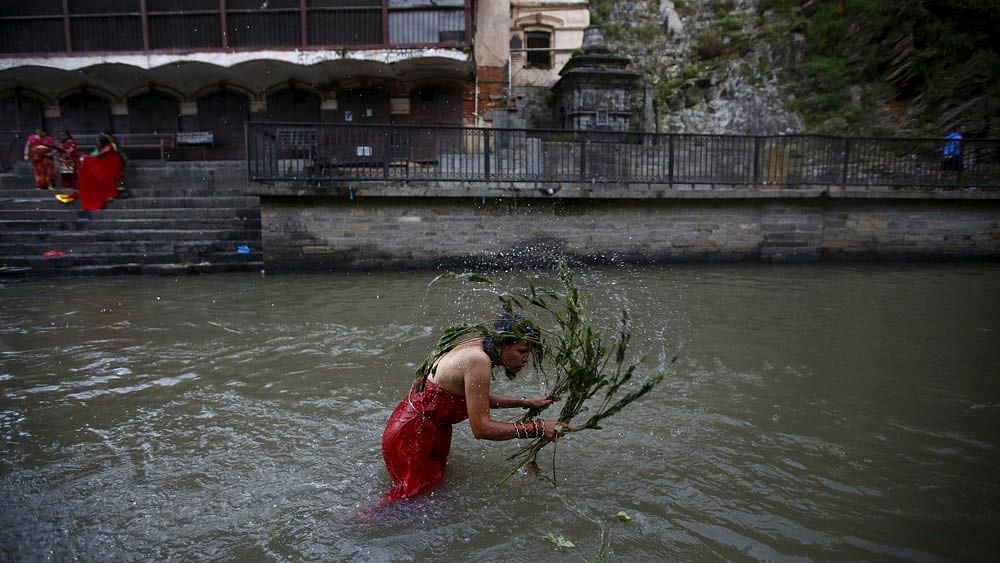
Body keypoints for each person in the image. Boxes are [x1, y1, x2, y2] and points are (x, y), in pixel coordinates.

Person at [379, 314, 573, 506]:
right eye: (521, 351)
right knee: (406, 504)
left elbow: (473, 397)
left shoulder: (476, 344)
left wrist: (525, 402)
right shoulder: (479, 361)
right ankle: (359, 527)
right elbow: (482, 429)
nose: (525, 359)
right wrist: (538, 428)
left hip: (417, 426)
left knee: (421, 496)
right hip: (415, 435)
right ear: (501, 344)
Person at [77, 131, 125, 212]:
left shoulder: (110, 145)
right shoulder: (103, 146)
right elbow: (96, 154)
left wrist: (87, 157)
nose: (98, 142)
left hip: (112, 165)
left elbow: (99, 155)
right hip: (108, 165)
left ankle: (110, 195)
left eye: (99, 140)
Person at [53, 131, 82, 204]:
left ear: (67, 135)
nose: (62, 137)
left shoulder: (71, 142)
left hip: (70, 161)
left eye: (63, 135)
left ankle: (72, 187)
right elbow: (57, 150)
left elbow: (71, 151)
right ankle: (67, 187)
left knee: (70, 175)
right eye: (61, 135)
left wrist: (61, 148)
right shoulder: (61, 142)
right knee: (64, 175)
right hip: (63, 161)